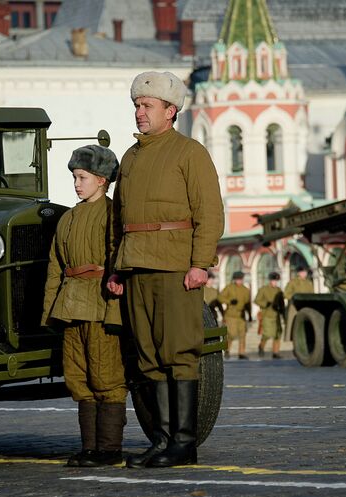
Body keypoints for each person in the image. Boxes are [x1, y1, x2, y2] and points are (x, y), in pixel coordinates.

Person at [106, 71, 224, 468]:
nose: (139, 113)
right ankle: (161, 439)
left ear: (170, 111)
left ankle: (184, 443)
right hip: (135, 264)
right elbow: (117, 217)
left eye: (147, 106)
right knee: (148, 355)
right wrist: (115, 267)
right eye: (137, 106)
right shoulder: (130, 157)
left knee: (179, 352)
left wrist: (200, 263)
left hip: (176, 265)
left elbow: (209, 212)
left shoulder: (190, 153)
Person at [41, 145, 126, 467]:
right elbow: (55, 267)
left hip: (100, 304)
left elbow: (119, 261)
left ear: (102, 180)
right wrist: (50, 312)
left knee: (107, 378)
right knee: (78, 378)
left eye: (82, 177)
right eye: (75, 177)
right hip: (70, 305)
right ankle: (90, 448)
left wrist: (115, 308)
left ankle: (109, 449)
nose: (76, 184)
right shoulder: (68, 218)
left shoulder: (112, 214)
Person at [217, 271, 251, 359]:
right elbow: (220, 297)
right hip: (230, 316)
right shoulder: (229, 288)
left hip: (241, 316)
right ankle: (227, 350)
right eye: (237, 279)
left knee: (243, 335)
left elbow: (248, 303)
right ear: (234, 279)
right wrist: (229, 301)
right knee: (231, 334)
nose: (239, 281)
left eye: (240, 279)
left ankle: (241, 353)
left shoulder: (246, 290)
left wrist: (249, 315)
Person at [254, 272, 285, 359]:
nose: (275, 282)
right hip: (267, 315)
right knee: (267, 334)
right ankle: (261, 346)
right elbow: (256, 300)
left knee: (277, 334)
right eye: (273, 280)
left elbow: (282, 302)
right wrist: (265, 303)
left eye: (276, 281)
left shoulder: (279, 290)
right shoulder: (263, 289)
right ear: (270, 280)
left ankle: (275, 353)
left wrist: (282, 310)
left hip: (276, 315)